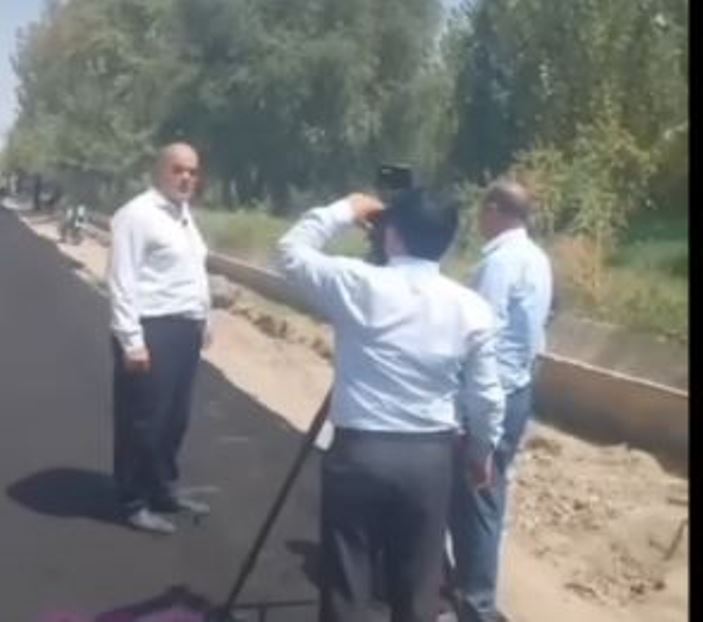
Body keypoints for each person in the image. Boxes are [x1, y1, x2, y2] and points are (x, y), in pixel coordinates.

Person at [276, 188, 505, 622]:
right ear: (447, 243)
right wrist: (481, 453)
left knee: (347, 580)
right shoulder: (471, 308)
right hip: (429, 458)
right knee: (418, 586)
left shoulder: (358, 283)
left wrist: (345, 210)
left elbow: (290, 252)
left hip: (360, 453)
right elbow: (486, 396)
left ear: (391, 233)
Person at [448, 179, 553, 621]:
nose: (477, 218)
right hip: (518, 388)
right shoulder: (537, 258)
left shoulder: (500, 263)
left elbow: (480, 334)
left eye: (481, 209)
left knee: (477, 500)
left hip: (494, 393)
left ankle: (476, 605)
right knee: (485, 497)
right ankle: (469, 592)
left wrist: (468, 406)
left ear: (494, 210)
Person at [107, 142, 212, 534]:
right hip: (152, 329)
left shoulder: (183, 215)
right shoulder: (137, 215)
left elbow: (192, 273)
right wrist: (131, 341)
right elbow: (121, 281)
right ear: (160, 171)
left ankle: (162, 489)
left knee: (174, 420)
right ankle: (132, 500)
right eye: (178, 169)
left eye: (192, 171)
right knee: (143, 421)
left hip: (185, 330)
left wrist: (205, 320)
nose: (186, 178)